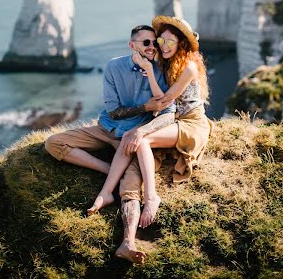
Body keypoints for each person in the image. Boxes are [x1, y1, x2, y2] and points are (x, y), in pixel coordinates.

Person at [45, 24, 176, 263]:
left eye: (155, 43)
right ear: (132, 45)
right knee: (53, 143)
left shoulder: (161, 71)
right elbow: (114, 112)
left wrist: (143, 131)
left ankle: (128, 243)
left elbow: (169, 112)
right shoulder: (113, 67)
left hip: (133, 136)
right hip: (107, 129)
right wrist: (146, 107)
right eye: (146, 42)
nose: (152, 47)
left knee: (131, 188)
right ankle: (109, 171)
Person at [88, 16, 213, 230]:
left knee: (141, 139)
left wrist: (149, 73)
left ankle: (152, 196)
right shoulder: (168, 63)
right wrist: (151, 72)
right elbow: (160, 103)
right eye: (160, 41)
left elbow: (164, 100)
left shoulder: (189, 67)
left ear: (181, 43)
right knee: (130, 136)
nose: (162, 46)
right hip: (174, 121)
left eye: (169, 42)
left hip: (191, 125)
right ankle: (106, 192)